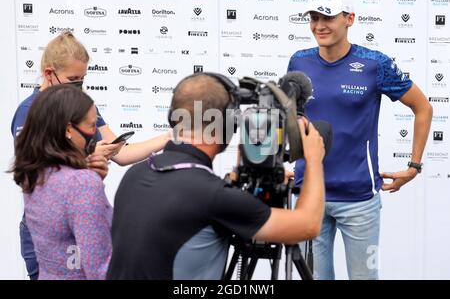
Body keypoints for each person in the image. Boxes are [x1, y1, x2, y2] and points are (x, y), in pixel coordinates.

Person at [107, 73, 326, 280]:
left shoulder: (136, 174)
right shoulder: (212, 196)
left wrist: (239, 176)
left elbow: (189, 205)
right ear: (227, 125)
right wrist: (314, 161)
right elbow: (308, 225)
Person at [288, 0, 433, 280]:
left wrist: (414, 166)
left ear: (349, 19)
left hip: (359, 200)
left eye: (327, 17)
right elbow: (292, 118)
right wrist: (285, 163)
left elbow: (423, 108)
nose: (319, 25)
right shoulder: (298, 61)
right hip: (308, 195)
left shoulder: (374, 64)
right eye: (313, 18)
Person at [10, 31, 171, 280]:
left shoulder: (80, 106)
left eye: (82, 79)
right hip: (48, 229)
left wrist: (169, 138)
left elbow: (121, 152)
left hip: (78, 221)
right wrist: (86, 163)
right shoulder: (29, 112)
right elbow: (36, 176)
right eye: (72, 79)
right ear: (49, 73)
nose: (79, 87)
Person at [10, 85, 113, 279]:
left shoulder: (35, 174)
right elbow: (100, 270)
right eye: (91, 125)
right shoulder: (81, 184)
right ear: (68, 129)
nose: (95, 133)